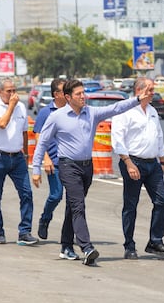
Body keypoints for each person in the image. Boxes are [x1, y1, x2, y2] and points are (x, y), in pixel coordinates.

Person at [32, 78, 152, 265]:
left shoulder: (92, 113)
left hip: (87, 167)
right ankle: (86, 247)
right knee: (78, 205)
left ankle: (65, 245)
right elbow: (43, 142)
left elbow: (116, 108)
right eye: (78, 94)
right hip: (67, 166)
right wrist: (36, 168)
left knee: (73, 206)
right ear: (68, 97)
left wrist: (137, 99)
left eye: (83, 93)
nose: (83, 97)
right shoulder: (57, 116)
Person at [111, 77, 164, 260]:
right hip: (133, 162)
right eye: (150, 89)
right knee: (131, 205)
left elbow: (159, 136)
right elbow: (117, 139)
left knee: (162, 201)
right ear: (139, 91)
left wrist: (162, 161)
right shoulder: (125, 111)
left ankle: (155, 241)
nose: (153, 93)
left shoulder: (153, 111)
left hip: (152, 164)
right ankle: (129, 245)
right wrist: (128, 163)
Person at [0, 79, 38, 246]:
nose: (13, 94)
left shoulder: (21, 107)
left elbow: (24, 132)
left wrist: (27, 154)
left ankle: (25, 231)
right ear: (0, 92)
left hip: (17, 157)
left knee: (26, 193)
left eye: (15, 90)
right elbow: (2, 124)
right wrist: (11, 106)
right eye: (9, 91)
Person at [33, 78, 66, 241]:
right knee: (56, 195)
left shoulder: (72, 109)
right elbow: (38, 135)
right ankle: (45, 219)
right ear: (56, 94)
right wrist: (45, 158)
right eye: (64, 90)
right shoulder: (46, 112)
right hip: (54, 161)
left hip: (72, 162)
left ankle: (71, 232)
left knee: (76, 201)